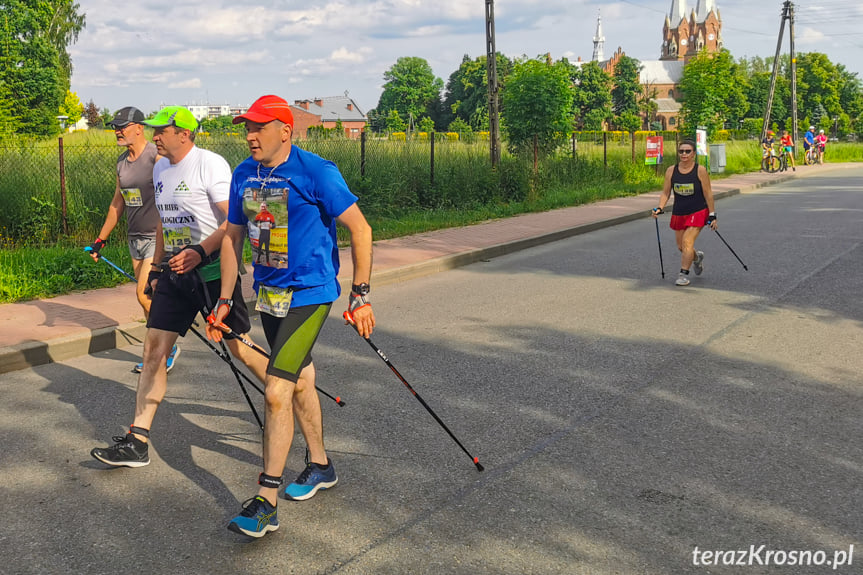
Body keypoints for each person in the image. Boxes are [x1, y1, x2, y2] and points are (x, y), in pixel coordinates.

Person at [206, 94, 374, 538]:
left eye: (259, 127)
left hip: (312, 293)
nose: (249, 135)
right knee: (299, 378)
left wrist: (360, 294)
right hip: (270, 294)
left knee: (277, 390)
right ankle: (320, 464)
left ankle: (266, 501)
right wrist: (226, 297)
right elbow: (232, 238)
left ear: (286, 129)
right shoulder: (244, 173)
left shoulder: (316, 171)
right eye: (246, 126)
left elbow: (360, 228)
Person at [90, 106, 269, 469]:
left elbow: (233, 225)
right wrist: (156, 267)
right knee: (154, 349)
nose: (155, 135)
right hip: (174, 271)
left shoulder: (209, 164)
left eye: (162, 130)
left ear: (184, 133)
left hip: (213, 270)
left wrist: (199, 252)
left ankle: (283, 390)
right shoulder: (159, 167)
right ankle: (137, 440)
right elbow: (162, 223)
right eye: (154, 130)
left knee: (240, 349)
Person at [89, 107, 180, 373]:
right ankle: (165, 345)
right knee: (147, 300)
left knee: (143, 294)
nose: (117, 131)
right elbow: (117, 203)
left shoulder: (156, 156)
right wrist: (100, 240)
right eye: (115, 127)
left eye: (122, 126)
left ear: (139, 128)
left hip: (157, 236)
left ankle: (160, 353)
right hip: (135, 237)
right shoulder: (121, 162)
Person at [652, 139, 718, 287]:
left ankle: (683, 274)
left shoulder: (700, 170)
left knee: (688, 242)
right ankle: (697, 257)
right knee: (682, 247)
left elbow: (708, 193)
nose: (684, 154)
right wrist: (660, 207)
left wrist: (712, 214)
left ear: (693, 154)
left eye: (688, 151)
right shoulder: (671, 170)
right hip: (679, 211)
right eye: (681, 151)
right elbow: (665, 192)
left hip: (698, 211)